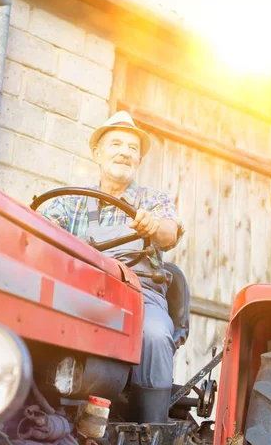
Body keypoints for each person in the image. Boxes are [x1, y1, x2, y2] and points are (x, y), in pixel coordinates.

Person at [42, 111, 184, 423]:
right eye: (116, 144)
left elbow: (169, 232)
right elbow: (41, 227)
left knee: (156, 336)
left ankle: (151, 429)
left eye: (133, 148)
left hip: (139, 295)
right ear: (97, 152)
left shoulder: (152, 200)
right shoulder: (71, 202)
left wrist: (154, 225)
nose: (124, 152)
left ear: (139, 159)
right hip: (80, 290)